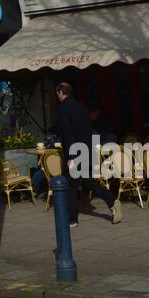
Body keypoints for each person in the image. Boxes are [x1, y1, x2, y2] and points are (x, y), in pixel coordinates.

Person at [56, 81, 121, 225]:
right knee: (90, 181)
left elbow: (68, 134)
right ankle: (111, 201)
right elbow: (87, 130)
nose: (57, 96)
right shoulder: (81, 107)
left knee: (71, 185)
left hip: (74, 152)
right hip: (86, 149)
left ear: (61, 93)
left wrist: (71, 156)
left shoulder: (63, 109)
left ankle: (72, 219)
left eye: (57, 93)